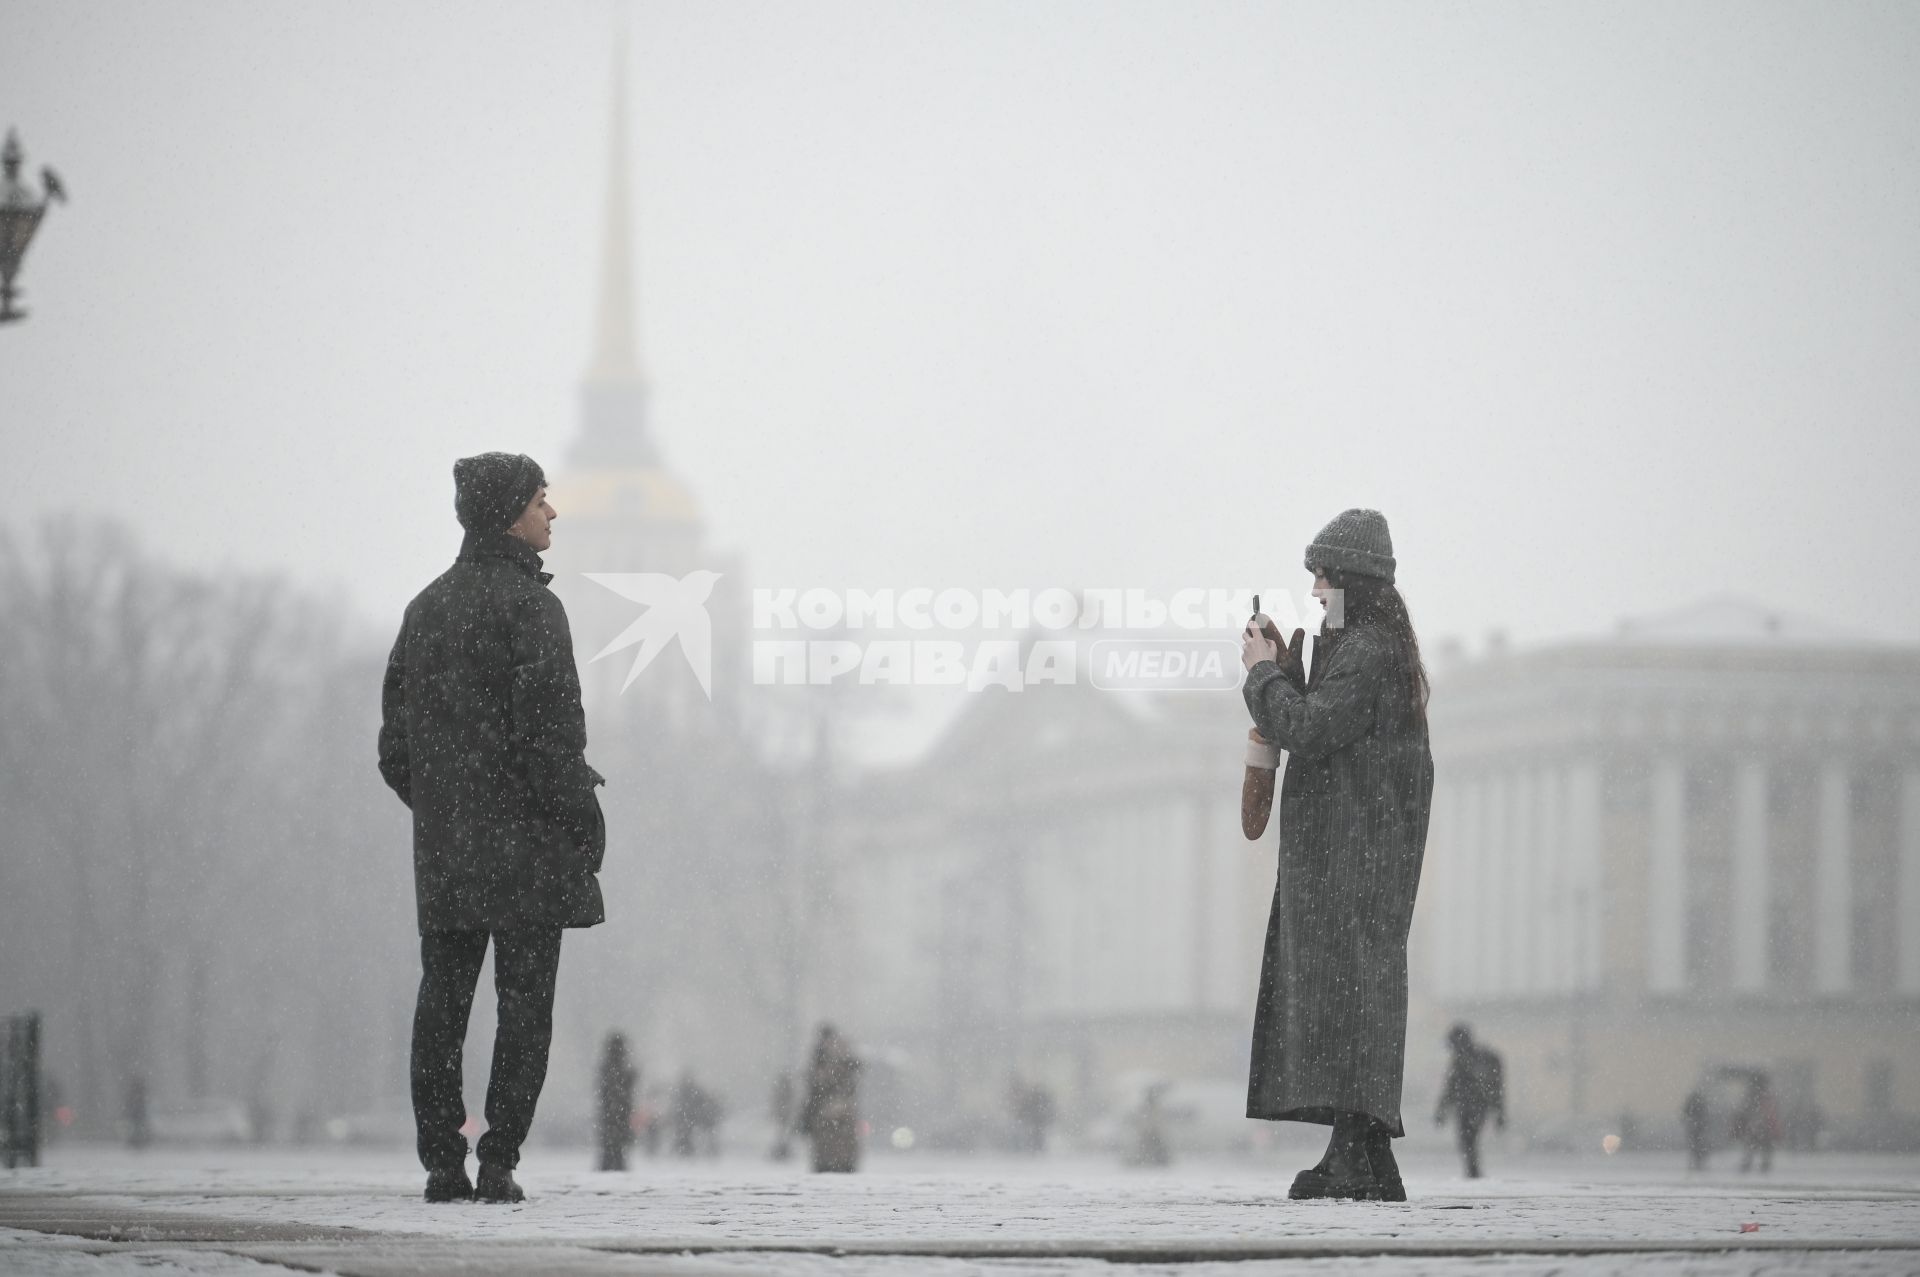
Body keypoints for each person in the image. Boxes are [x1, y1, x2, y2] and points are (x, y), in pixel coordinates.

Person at [379, 452, 608, 1204]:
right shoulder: (533, 609)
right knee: (524, 1009)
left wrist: (450, 808)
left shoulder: (425, 609)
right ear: (510, 510)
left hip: (448, 851)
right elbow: (551, 739)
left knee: (441, 1004)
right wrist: (582, 822)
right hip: (530, 850)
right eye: (543, 500)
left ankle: (442, 1161)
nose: (553, 512)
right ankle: (500, 1157)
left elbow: (394, 750)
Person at [1240, 509, 1433, 1202]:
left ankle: (1355, 1154)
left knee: (1343, 999)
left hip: (1350, 859)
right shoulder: (1371, 649)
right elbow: (1325, 721)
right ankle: (1363, 1152)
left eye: (1324, 575)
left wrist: (1265, 678)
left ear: (1350, 580)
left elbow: (1311, 728)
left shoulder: (1365, 651)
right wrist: (1293, 671)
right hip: (1358, 856)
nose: (1316, 589)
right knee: (1354, 999)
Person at [1435, 1024, 1505, 1179]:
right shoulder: (1485, 1058)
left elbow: (1450, 1088)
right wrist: (1499, 1112)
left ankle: (1473, 1172)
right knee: (1467, 1140)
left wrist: (1441, 1110)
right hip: (1473, 1106)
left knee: (1467, 1139)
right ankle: (1473, 1172)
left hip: (1472, 1106)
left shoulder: (1477, 1059)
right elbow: (1497, 1088)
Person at [798, 1024, 863, 1173]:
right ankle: (838, 1164)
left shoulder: (829, 1057)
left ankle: (835, 1164)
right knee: (833, 1143)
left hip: (829, 1109)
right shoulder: (832, 1056)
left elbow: (817, 1084)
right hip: (831, 1109)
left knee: (832, 1142)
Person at [595, 1033, 638, 1172]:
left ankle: (610, 1173)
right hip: (617, 1114)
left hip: (613, 1114)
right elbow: (618, 1091)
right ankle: (616, 1172)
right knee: (615, 1150)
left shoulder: (608, 1066)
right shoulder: (617, 1067)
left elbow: (607, 1091)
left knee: (611, 1150)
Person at [1733, 1073, 1779, 1173]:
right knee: (1763, 1148)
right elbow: (1770, 1113)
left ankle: (1749, 1166)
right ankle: (1762, 1166)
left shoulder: (1752, 1096)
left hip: (1755, 1126)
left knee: (1751, 1147)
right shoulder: (1764, 1096)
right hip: (1762, 1126)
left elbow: (1744, 1111)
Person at [1682, 1087, 1712, 1171]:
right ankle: (1698, 1163)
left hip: (1695, 1128)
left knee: (1695, 1147)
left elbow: (1685, 1113)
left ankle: (1696, 1163)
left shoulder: (1692, 1104)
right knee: (1699, 1146)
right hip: (1698, 1128)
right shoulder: (1700, 1103)